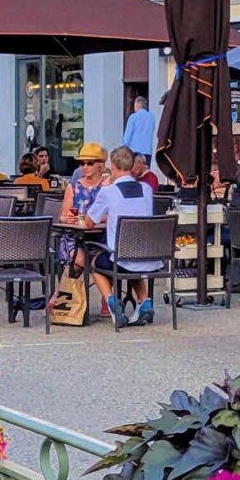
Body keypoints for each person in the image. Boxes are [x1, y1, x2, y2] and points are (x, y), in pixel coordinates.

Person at [85, 147, 162, 325]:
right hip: (149, 256)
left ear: (112, 166)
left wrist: (105, 187)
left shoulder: (108, 191)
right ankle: (144, 302)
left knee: (95, 262)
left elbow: (89, 222)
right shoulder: (146, 189)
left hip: (122, 258)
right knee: (130, 255)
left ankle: (112, 301)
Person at [122, 94, 157, 162]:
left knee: (134, 172)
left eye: (134, 104)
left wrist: (124, 147)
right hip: (147, 151)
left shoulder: (133, 117)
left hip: (134, 152)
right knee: (145, 171)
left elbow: (127, 137)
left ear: (138, 104)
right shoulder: (151, 117)